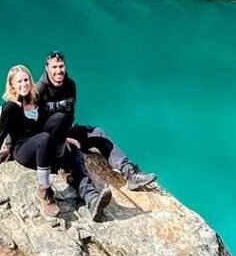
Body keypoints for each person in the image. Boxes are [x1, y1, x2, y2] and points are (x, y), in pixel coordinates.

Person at [0, 64, 112, 220]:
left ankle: (91, 199)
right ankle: (44, 191)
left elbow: (48, 126)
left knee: (70, 144)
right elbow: (1, 134)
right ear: (12, 86)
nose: (24, 84)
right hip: (24, 150)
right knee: (44, 139)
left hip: (44, 147)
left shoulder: (36, 101)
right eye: (19, 82)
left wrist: (64, 139)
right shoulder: (9, 108)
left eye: (26, 80)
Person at [36, 51, 157, 191]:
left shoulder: (70, 85)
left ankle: (130, 173)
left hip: (66, 132)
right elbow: (34, 124)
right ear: (47, 68)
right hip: (48, 140)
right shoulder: (40, 89)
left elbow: (69, 114)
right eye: (54, 67)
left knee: (98, 133)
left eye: (61, 66)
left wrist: (67, 135)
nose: (58, 71)